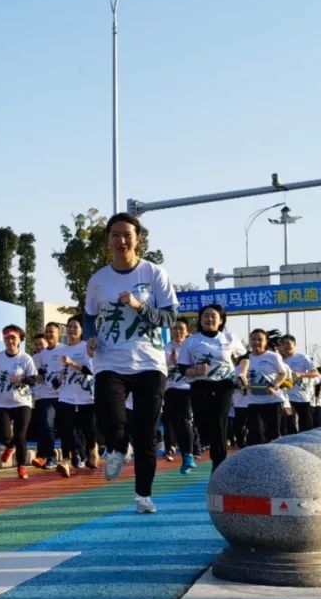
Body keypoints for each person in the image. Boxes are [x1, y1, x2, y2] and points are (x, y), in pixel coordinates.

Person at [83, 212, 178, 514]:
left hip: (149, 360)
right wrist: (91, 336)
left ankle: (143, 496)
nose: (121, 240)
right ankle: (116, 447)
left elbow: (170, 316)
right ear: (108, 240)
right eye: (115, 235)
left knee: (146, 432)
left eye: (127, 235)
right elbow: (88, 316)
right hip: (110, 358)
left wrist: (138, 305)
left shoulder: (154, 274)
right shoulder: (98, 280)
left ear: (138, 239)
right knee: (110, 416)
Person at [176, 304, 248, 472]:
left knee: (219, 422)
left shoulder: (229, 338)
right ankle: (208, 443)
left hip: (223, 385)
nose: (209, 319)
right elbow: (182, 368)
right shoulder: (191, 341)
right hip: (200, 385)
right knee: (203, 423)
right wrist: (195, 371)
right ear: (200, 320)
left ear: (220, 320)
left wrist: (242, 373)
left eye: (213, 316)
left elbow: (244, 356)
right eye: (205, 316)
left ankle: (219, 465)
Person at [0, 324, 37, 479]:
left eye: (13, 338)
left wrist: (22, 378)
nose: (10, 341)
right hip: (2, 402)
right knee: (2, 435)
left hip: (22, 402)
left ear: (19, 340)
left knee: (20, 435)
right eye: (7, 338)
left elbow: (34, 379)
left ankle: (21, 466)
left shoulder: (25, 358)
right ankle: (9, 447)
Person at [55, 316, 97, 477]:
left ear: (81, 331)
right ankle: (65, 460)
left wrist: (72, 363)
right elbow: (62, 371)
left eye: (75, 327)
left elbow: (90, 370)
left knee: (89, 429)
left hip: (85, 394)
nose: (72, 330)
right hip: (66, 395)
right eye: (70, 327)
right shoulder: (62, 350)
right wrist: (58, 379)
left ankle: (92, 451)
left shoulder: (86, 347)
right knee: (65, 429)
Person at [242, 328, 289, 445]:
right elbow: (240, 375)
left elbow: (283, 374)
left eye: (260, 340)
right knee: (257, 433)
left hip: (273, 400)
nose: (256, 342)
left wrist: (274, 386)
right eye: (253, 339)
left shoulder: (273, 356)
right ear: (249, 341)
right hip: (254, 401)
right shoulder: (245, 358)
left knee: (274, 434)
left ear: (266, 341)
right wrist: (243, 383)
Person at [162, 318, 195, 471]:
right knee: (174, 423)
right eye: (175, 328)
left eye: (181, 328)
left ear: (187, 332)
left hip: (187, 388)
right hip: (170, 388)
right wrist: (170, 361)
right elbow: (159, 367)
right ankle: (181, 453)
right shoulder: (164, 348)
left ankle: (189, 454)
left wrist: (180, 362)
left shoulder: (192, 347)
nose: (178, 331)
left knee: (184, 420)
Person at [32, 322, 63, 469]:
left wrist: (60, 379)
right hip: (46, 395)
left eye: (52, 331)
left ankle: (76, 454)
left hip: (65, 394)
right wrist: (38, 377)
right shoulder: (39, 356)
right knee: (47, 425)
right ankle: (50, 457)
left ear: (58, 333)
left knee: (68, 427)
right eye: (47, 331)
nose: (49, 334)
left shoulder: (64, 350)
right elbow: (38, 374)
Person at [279, 335, 319, 433]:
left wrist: (301, 374)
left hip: (301, 395)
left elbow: (315, 373)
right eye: (284, 344)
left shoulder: (302, 358)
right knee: (288, 422)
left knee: (305, 424)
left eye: (288, 343)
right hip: (285, 396)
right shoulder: (279, 360)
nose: (286, 346)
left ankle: (307, 443)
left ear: (294, 344)